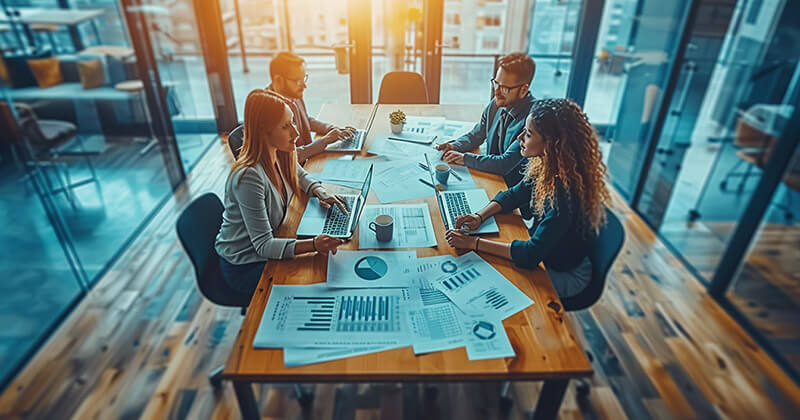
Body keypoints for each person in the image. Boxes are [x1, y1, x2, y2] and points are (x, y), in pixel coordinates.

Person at [444, 98, 611, 298]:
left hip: (564, 272)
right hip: (545, 252)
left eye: (528, 134)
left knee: (493, 289)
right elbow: (515, 194)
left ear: (551, 144)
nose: (519, 138)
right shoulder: (550, 166)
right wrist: (479, 217)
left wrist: (473, 243)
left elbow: (531, 254)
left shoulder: (565, 195)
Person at [215, 89, 349, 295]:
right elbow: (263, 245)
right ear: (263, 132)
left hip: (272, 241)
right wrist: (314, 244)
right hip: (245, 264)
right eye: (286, 126)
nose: (295, 132)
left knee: (328, 273)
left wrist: (320, 191)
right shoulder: (249, 177)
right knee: (314, 283)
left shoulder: (281, 151)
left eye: (293, 122)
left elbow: (301, 174)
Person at [437, 52, 536, 182]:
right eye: (496, 83)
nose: (497, 92)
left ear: (523, 90)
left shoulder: (532, 121)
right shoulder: (497, 103)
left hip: (509, 186)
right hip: (491, 176)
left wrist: (464, 159)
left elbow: (504, 163)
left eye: (504, 88)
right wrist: (455, 146)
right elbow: (477, 134)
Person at [268, 51, 355, 162]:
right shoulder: (270, 111)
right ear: (278, 81)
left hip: (309, 160)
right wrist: (325, 141)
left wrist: (332, 129)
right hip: (296, 170)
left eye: (303, 78)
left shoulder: (293, 94)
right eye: (297, 81)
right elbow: (287, 159)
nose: (304, 86)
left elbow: (306, 120)